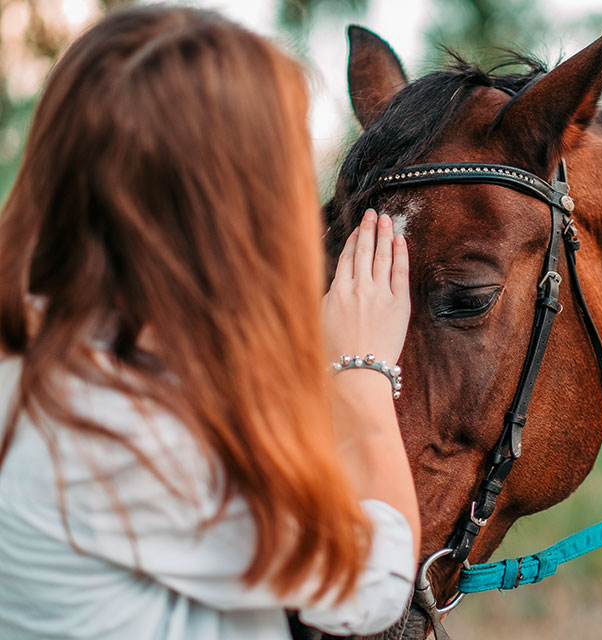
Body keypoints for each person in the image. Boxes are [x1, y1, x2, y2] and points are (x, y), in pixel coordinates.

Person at [0, 6, 418, 640]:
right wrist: (363, 370)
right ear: (226, 207)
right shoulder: (128, 431)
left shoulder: (41, 350)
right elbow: (371, 584)